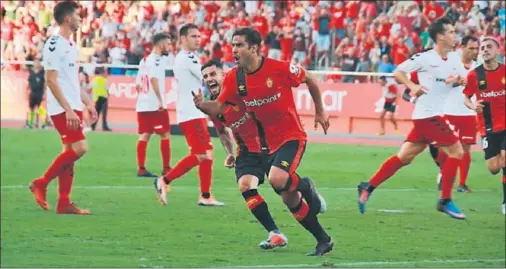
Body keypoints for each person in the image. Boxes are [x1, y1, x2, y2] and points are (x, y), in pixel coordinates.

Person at [192, 27, 333, 256]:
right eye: (233, 45)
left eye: (239, 45)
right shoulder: (234, 78)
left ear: (254, 48)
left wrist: (320, 111)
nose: (234, 50)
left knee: (278, 179)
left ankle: (306, 185)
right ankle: (323, 240)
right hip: (266, 145)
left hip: (291, 136)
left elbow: (310, 79)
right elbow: (218, 108)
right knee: (289, 197)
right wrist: (200, 104)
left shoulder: (279, 68)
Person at [357, 17, 468, 220]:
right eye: (451, 32)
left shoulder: (454, 59)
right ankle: (445, 200)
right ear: (440, 36)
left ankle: (368, 186)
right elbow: (398, 71)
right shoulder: (425, 58)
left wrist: (458, 81)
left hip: (430, 115)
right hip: (428, 116)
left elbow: (459, 80)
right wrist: (412, 86)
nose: (455, 35)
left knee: (404, 157)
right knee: (457, 151)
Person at [196, 59, 291, 249]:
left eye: (213, 74)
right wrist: (230, 152)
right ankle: (275, 233)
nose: (209, 79)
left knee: (287, 190)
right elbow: (222, 131)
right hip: (246, 150)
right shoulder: (213, 106)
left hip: (269, 144)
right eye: (205, 76)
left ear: (224, 75)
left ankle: (308, 190)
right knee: (246, 186)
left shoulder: (242, 89)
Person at [29, 1, 97, 215]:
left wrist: (87, 102)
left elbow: (72, 81)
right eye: (78, 15)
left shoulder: (71, 45)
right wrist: (68, 108)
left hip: (72, 105)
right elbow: (51, 80)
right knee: (81, 148)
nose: (80, 18)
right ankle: (42, 182)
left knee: (69, 152)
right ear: (67, 18)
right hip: (61, 108)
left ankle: (64, 202)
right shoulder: (53, 44)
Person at [154, 24, 224, 207]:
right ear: (183, 39)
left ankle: (205, 195)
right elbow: (206, 76)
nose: (198, 39)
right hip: (190, 112)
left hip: (196, 112)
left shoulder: (191, 57)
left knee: (207, 154)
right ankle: (165, 180)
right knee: (202, 155)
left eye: (199, 35)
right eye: (193, 36)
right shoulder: (185, 58)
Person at [428, 36, 480, 193]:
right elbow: (440, 81)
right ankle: (443, 172)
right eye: (471, 48)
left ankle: (462, 184)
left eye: (476, 49)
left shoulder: (478, 67)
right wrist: (455, 81)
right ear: (462, 47)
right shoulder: (451, 62)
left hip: (468, 113)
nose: (474, 52)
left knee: (466, 149)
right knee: (443, 147)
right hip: (448, 111)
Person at [463, 37, 506, 215]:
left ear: (498, 51)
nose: (485, 50)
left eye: (489, 47)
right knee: (494, 168)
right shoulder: (475, 74)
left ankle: (505, 201)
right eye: (483, 47)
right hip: (487, 127)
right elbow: (466, 97)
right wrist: (473, 106)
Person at [135, 33, 172, 178]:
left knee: (145, 134)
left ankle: (141, 168)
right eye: (168, 44)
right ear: (160, 45)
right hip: (155, 105)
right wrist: (160, 101)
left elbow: (138, 85)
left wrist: (142, 99)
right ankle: (166, 168)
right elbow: (154, 80)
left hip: (143, 103)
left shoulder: (144, 60)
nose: (170, 47)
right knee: (165, 134)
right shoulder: (156, 61)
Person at [25, 57, 45, 129]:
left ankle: (40, 123)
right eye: (35, 62)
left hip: (39, 93)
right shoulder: (31, 73)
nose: (36, 64)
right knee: (31, 109)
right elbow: (28, 83)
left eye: (37, 62)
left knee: (40, 109)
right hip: (32, 93)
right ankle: (30, 123)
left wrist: (44, 94)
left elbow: (44, 84)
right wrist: (26, 91)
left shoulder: (42, 73)